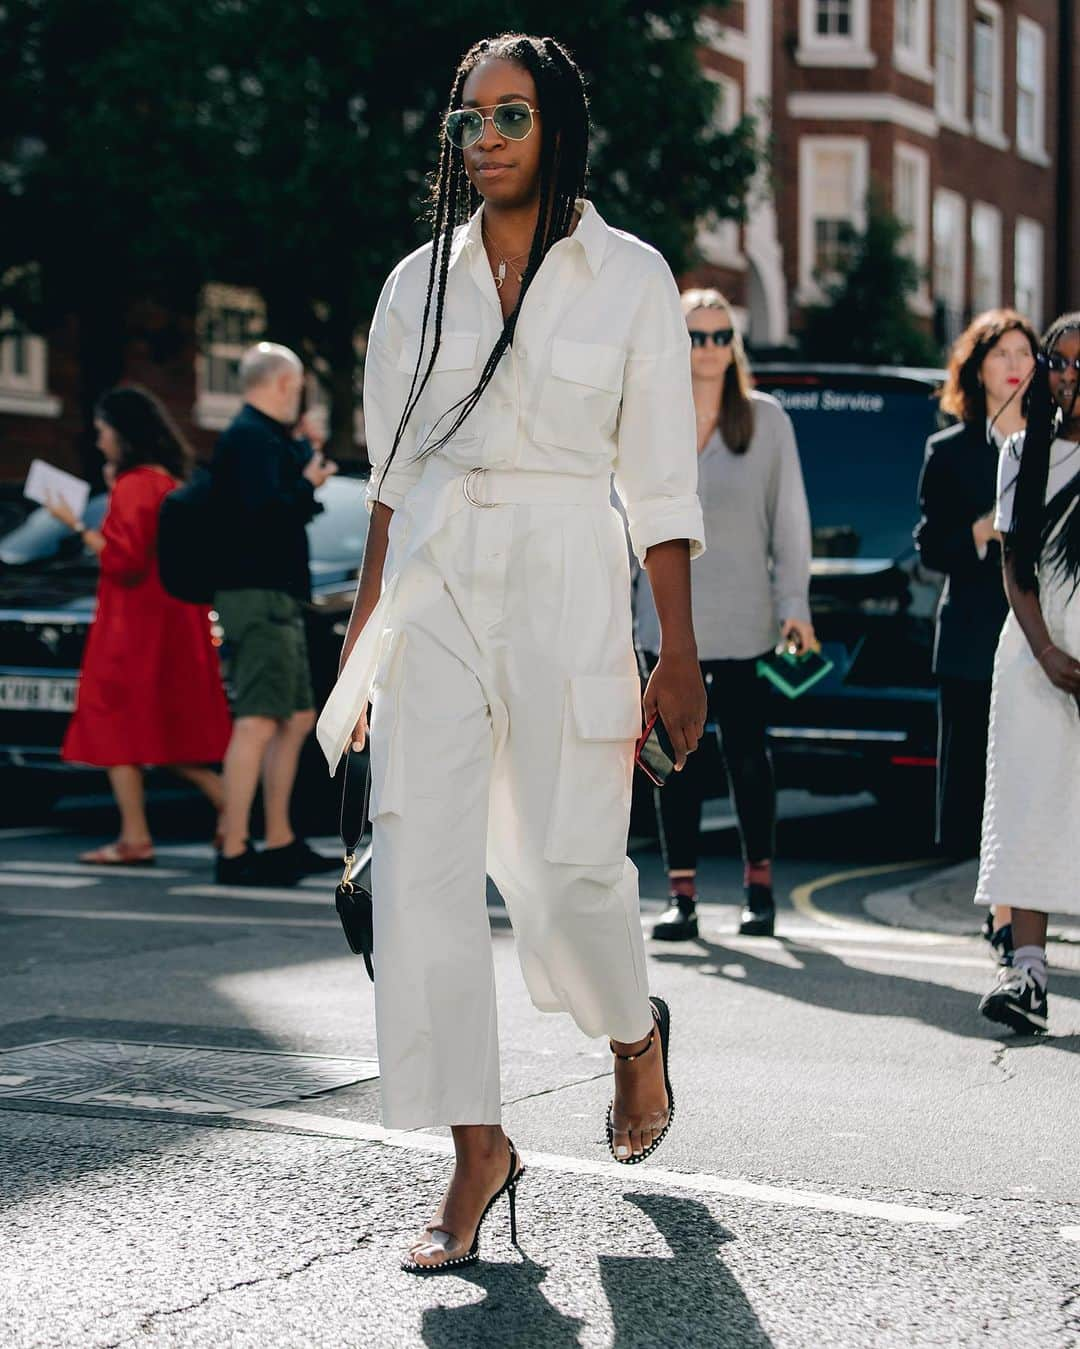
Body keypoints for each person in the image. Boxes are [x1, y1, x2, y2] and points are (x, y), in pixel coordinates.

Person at [317, 34, 706, 1271]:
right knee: (422, 872)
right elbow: (390, 484)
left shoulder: (630, 276)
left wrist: (678, 649)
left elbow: (658, 479)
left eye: (510, 118)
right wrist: (364, 652)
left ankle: (632, 1031)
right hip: (432, 585)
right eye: (467, 122)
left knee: (568, 865)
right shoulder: (410, 287)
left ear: (559, 127)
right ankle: (476, 1144)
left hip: (565, 575)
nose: (483, 140)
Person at [636, 290, 814, 942]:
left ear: (732, 345)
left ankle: (758, 889)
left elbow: (790, 522)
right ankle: (680, 894)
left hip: (744, 623)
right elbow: (627, 517)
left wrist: (795, 604)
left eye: (718, 336)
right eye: (694, 336)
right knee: (669, 758)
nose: (707, 349)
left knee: (746, 756)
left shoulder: (766, 421)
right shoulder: (651, 417)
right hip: (661, 622)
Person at [47, 386, 231, 862]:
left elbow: (124, 559)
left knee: (118, 728)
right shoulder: (168, 481)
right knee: (168, 733)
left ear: (123, 435)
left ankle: (135, 836)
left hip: (132, 627)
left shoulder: (133, 486)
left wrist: (75, 524)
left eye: (104, 432)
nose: (99, 441)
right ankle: (233, 811)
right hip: (170, 622)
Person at [915, 311, 1037, 963]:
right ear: (977, 366)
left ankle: (1019, 915)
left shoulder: (1057, 444)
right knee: (986, 786)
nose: (1016, 363)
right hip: (971, 639)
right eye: (1001, 352)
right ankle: (1004, 914)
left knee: (1032, 778)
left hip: (1043, 635)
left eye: (1026, 351)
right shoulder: (950, 451)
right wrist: (979, 529)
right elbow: (929, 546)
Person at [976, 313, 1080, 1034]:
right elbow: (1018, 567)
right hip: (1035, 648)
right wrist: (1044, 651)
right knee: (1029, 803)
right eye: (1059, 362)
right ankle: (1030, 976)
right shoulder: (1021, 449)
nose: (1069, 375)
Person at [211, 343, 340, 886]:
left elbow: (279, 506)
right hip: (256, 594)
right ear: (285, 383)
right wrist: (306, 483)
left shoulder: (263, 438)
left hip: (275, 595)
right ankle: (235, 847)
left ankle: (280, 839)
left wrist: (302, 465)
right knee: (260, 719)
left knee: (295, 718)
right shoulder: (247, 437)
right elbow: (263, 515)